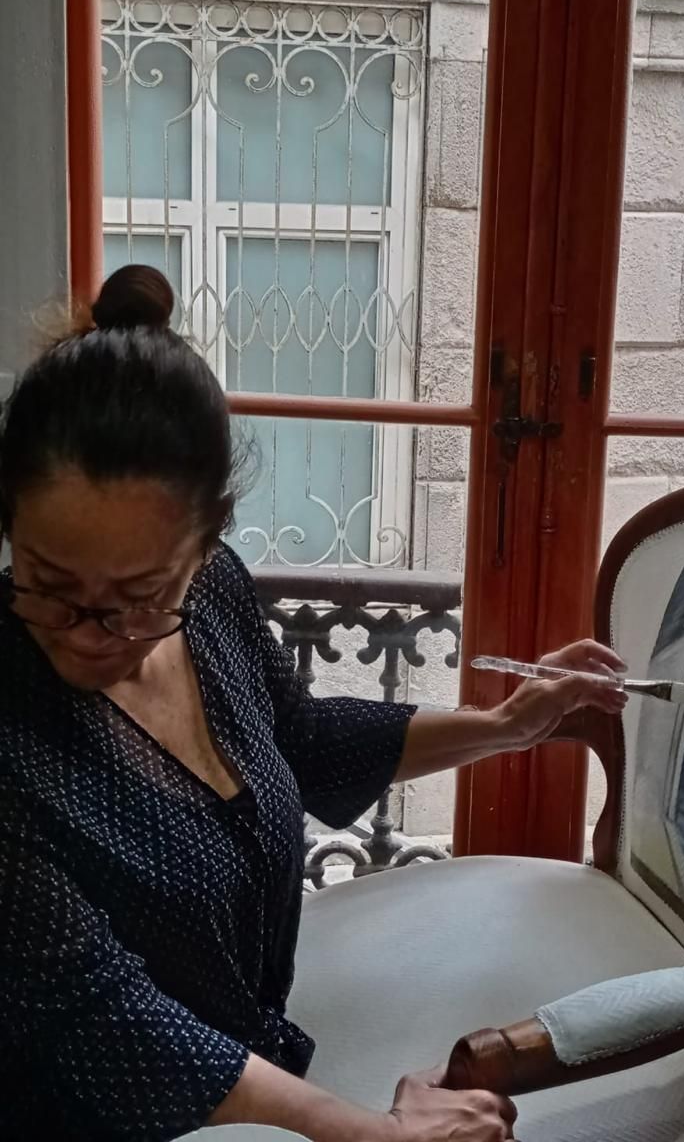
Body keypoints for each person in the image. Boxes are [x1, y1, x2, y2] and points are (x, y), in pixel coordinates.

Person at [0, 264, 627, 1142]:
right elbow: (98, 1017)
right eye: (48, 585)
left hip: (249, 1080)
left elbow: (297, 741)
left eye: (141, 594)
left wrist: (504, 726)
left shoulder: (213, 599)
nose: (94, 632)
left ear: (208, 542)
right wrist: (375, 1132)